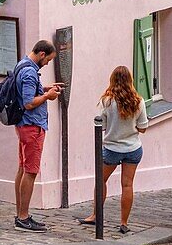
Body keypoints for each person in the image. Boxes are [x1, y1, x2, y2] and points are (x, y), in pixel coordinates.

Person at [79, 65, 148, 234]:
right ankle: (124, 223)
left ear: (112, 80)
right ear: (130, 81)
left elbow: (99, 125)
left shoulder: (107, 101)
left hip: (111, 148)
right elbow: (143, 128)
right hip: (133, 147)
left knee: (101, 181)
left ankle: (96, 215)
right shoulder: (138, 101)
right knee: (127, 185)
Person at [13, 39, 63, 232]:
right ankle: (23, 217)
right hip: (32, 125)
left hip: (26, 125)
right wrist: (47, 96)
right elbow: (28, 102)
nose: (48, 63)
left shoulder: (23, 65)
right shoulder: (29, 71)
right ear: (42, 54)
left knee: (23, 168)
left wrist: (44, 88)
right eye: (48, 60)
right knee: (31, 171)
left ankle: (21, 214)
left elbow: (27, 92)